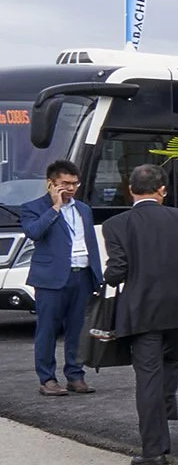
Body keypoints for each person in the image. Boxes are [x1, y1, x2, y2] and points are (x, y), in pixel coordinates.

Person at [101, 164, 178, 465]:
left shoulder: (115, 225)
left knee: (148, 377)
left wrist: (108, 276)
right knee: (174, 362)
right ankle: (163, 409)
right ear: (163, 190)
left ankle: (153, 450)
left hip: (142, 311)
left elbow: (116, 272)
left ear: (130, 190)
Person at [19, 159, 103, 395]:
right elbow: (34, 232)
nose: (71, 188)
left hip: (82, 275)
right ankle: (47, 379)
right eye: (65, 183)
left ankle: (75, 375)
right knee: (47, 330)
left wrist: (98, 276)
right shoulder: (33, 207)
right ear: (51, 184)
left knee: (77, 329)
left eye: (75, 183)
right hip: (51, 279)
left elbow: (91, 244)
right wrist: (55, 207)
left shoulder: (83, 209)